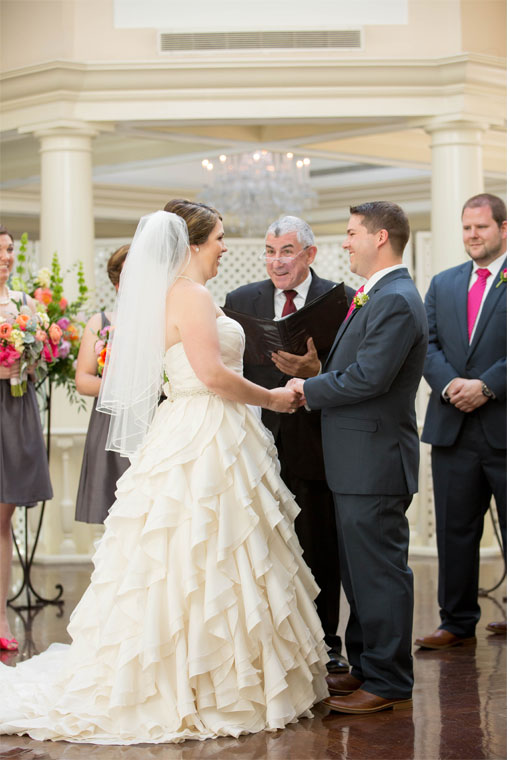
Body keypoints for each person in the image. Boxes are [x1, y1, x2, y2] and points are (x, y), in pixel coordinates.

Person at [0, 205, 328, 744]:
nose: (226, 247)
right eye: (221, 238)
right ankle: (207, 681)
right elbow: (213, 375)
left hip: (201, 426)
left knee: (204, 549)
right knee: (208, 546)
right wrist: (274, 397)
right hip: (204, 429)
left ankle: (205, 671)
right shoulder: (190, 296)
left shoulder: (174, 295)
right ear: (195, 241)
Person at [287, 201, 427, 715]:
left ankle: (389, 680)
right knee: (360, 572)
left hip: (374, 460)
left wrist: (308, 387)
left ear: (380, 237)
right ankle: (367, 666)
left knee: (381, 573)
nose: (345, 242)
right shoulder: (378, 294)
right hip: (356, 459)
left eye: (350, 234)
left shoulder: (394, 298)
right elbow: (359, 366)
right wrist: (319, 371)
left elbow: (370, 377)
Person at [224, 216, 350, 675]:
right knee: (261, 547)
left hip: (315, 439)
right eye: (270, 251)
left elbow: (352, 373)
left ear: (310, 255)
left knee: (318, 546)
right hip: (256, 438)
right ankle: (271, 648)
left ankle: (326, 643)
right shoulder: (241, 300)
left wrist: (317, 371)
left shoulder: (341, 299)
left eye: (287, 251)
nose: (277, 261)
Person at [415, 193, 508, 650]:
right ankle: (455, 621)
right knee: (454, 529)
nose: (473, 235)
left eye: (482, 227)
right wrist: (452, 384)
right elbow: (427, 345)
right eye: (467, 228)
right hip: (452, 425)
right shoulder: (443, 283)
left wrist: (486, 386)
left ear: (503, 229)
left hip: (504, 424)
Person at [0, 225, 54, 653]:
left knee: (3, 519)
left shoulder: (25, 305)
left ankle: (0, 615)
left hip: (15, 409)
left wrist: (28, 362)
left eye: (9, 250)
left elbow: (41, 362)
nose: (5, 257)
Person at [73, 244, 131, 525]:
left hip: (156, 422)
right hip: (110, 423)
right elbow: (83, 380)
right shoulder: (102, 322)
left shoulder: (165, 320)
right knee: (115, 518)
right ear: (118, 284)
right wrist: (124, 386)